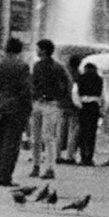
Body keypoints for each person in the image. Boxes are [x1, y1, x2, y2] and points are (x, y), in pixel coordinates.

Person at [0, 38, 32, 186]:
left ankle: (0, 173)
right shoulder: (22, 66)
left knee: (0, 143)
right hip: (16, 109)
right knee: (11, 144)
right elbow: (26, 91)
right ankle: (5, 176)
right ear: (19, 50)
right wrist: (27, 110)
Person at [30, 39, 70, 180]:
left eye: (38, 48)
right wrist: (62, 99)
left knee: (41, 137)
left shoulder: (38, 66)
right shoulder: (59, 66)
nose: (36, 51)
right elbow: (67, 83)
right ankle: (47, 167)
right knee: (47, 137)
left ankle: (40, 167)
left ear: (44, 50)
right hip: (50, 104)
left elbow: (33, 83)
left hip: (44, 103)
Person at [74, 62, 103, 166]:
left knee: (83, 132)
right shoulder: (99, 79)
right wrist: (101, 107)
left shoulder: (80, 78)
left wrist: (79, 105)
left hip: (84, 106)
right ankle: (89, 157)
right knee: (92, 133)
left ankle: (82, 157)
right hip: (94, 106)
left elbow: (75, 93)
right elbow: (104, 96)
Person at [57, 55, 82, 165]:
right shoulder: (79, 75)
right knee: (73, 132)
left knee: (60, 131)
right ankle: (70, 156)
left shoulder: (64, 74)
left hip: (62, 105)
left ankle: (57, 155)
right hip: (74, 106)